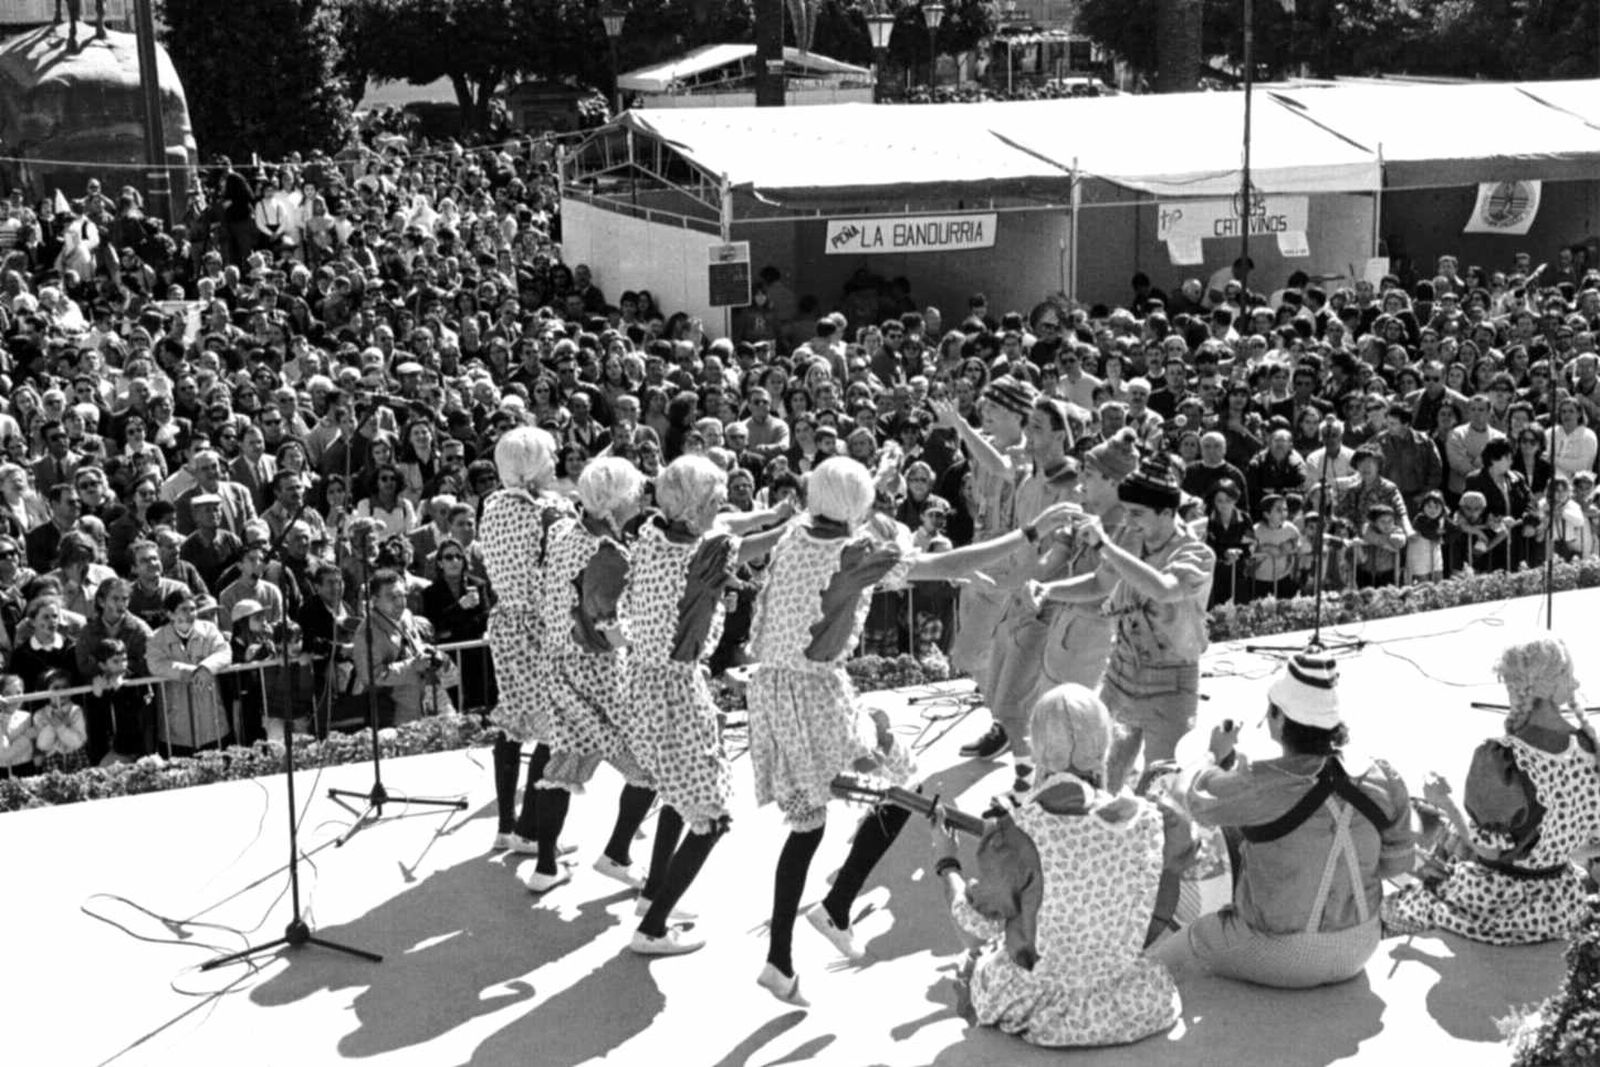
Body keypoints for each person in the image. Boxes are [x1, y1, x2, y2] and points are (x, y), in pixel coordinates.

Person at [747, 456, 1082, 1005]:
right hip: (816, 693)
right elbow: (947, 560)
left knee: (807, 826)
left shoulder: (794, 535)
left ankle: (781, 958)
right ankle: (834, 908)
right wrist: (1028, 533)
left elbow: (859, 556)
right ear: (855, 505)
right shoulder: (851, 553)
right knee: (905, 785)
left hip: (773, 693)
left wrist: (883, 487)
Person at [929, 683, 1188, 1047]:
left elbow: (974, 927)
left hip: (1040, 1009)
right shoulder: (1146, 820)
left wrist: (947, 862)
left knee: (976, 959)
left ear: (1036, 750)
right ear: (1106, 745)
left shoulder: (1017, 832)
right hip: (1131, 1003)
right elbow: (1183, 869)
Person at [618, 456, 786, 956]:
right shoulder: (707, 552)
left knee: (677, 794)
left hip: (644, 685)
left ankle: (653, 894)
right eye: (714, 499)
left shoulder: (653, 533)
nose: (721, 506)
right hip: (675, 692)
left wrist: (768, 514)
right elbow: (743, 543)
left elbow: (728, 528)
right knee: (712, 816)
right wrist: (797, 524)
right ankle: (652, 929)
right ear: (695, 507)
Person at [1168, 654, 1413, 988]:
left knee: (1192, 937)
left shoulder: (1260, 784)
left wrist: (1213, 753)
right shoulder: (1383, 776)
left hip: (1281, 954)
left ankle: (1122, 987)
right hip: (1361, 946)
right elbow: (1396, 864)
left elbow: (1184, 794)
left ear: (1279, 718)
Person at [1382, 635, 1600, 944]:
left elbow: (1487, 851)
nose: (1575, 684)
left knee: (1392, 908)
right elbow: (1583, 843)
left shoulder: (1501, 758)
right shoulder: (1590, 748)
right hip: (1563, 904)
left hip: (1500, 909)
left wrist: (1445, 803)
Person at [524, 458, 657, 894]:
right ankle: (617, 855)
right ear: (616, 503)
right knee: (651, 763)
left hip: (559, 665)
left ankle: (546, 866)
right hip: (598, 675)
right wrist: (644, 645)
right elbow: (608, 626)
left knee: (562, 763)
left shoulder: (566, 531)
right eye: (635, 495)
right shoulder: (607, 553)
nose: (640, 501)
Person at [1072, 452, 1217, 792]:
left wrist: (1105, 545)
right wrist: (1047, 591)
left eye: (1137, 513)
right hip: (1120, 672)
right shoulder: (1131, 540)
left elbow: (1164, 589)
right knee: (1099, 774)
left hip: (1169, 682)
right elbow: (1100, 583)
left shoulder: (1196, 554)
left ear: (1167, 512)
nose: (1129, 520)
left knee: (1161, 787)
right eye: (1126, 511)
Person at [479, 427, 576, 857]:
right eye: (550, 456)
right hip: (541, 624)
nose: (555, 463)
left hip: (505, 622)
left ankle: (506, 826)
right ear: (534, 465)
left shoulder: (493, 505)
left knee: (513, 721)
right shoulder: (549, 514)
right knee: (554, 725)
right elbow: (557, 575)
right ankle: (532, 831)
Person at [147, 589, 232, 753]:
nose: (190, 614)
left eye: (192, 609)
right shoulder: (156, 638)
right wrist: (191, 672)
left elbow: (224, 652)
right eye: (183, 609)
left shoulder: (209, 629)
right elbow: (155, 664)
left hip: (211, 720)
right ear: (170, 614)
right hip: (176, 722)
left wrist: (206, 667)